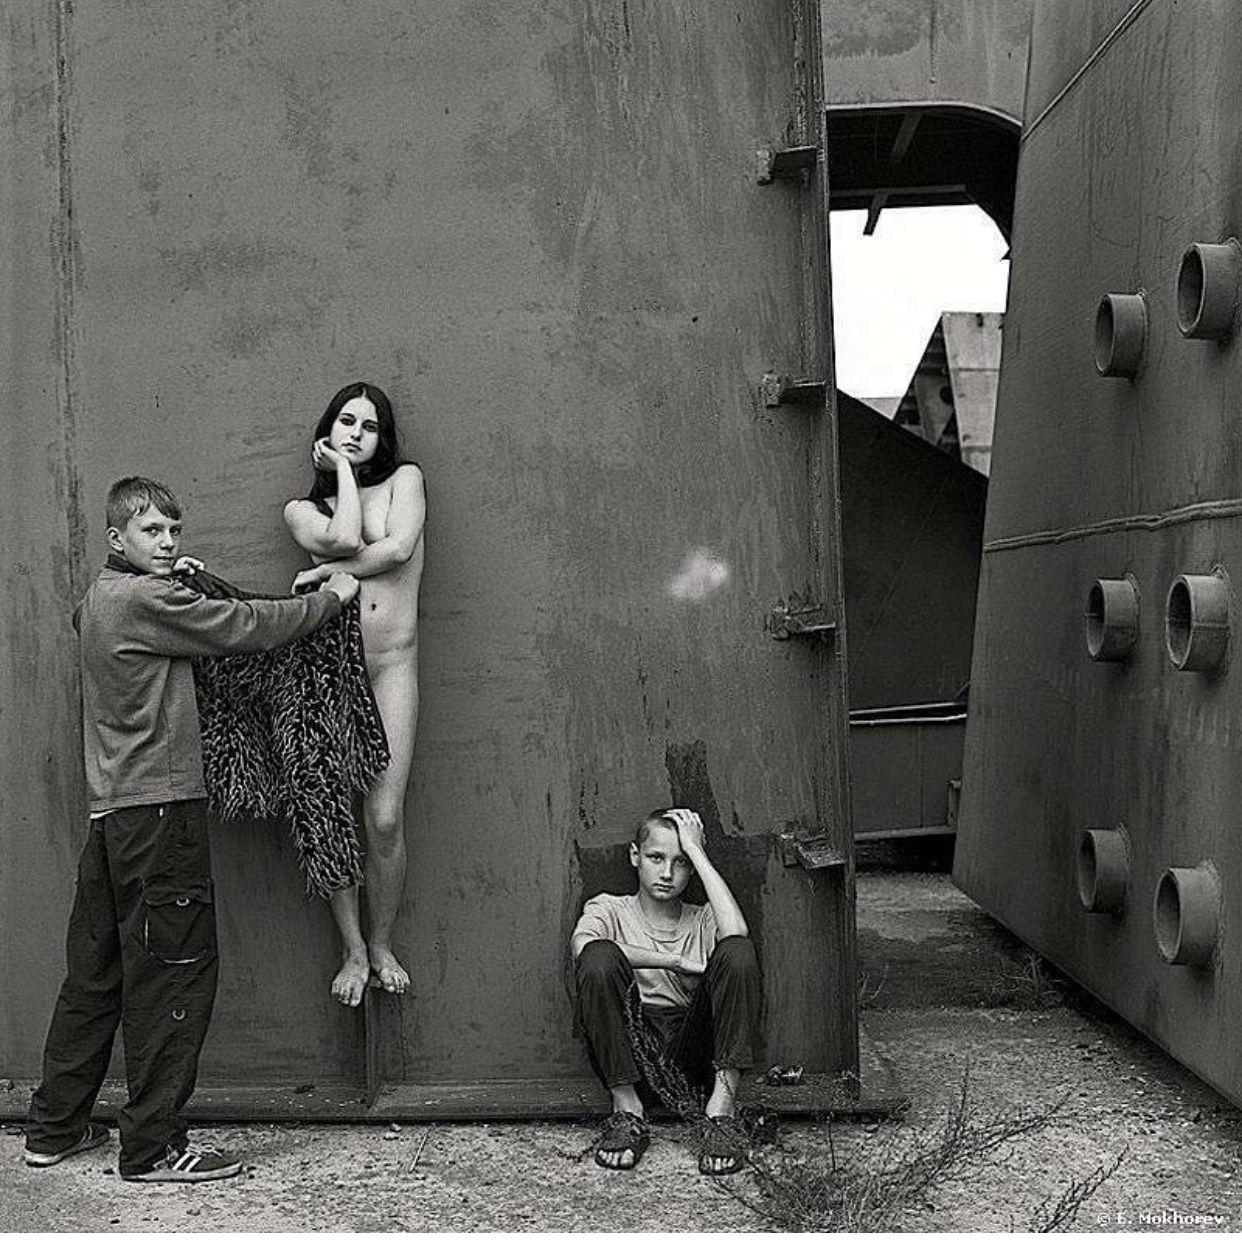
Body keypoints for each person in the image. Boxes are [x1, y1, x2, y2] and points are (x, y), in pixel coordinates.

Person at [24, 477, 359, 1183]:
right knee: (173, 977)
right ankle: (152, 1147)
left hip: (112, 816)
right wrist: (331, 599)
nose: (168, 541)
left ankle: (54, 1128)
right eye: (152, 532)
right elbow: (247, 628)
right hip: (161, 815)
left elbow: (101, 619)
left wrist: (177, 577)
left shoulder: (102, 599)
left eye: (174, 530)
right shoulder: (148, 601)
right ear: (117, 538)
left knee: (96, 975)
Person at [283, 381, 426, 1006]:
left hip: (393, 666)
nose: (356, 434)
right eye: (346, 422)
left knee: (385, 818)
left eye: (369, 427)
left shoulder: (406, 481)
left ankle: (383, 940)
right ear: (328, 428)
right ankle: (354, 949)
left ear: (383, 437)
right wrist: (341, 472)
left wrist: (324, 572)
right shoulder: (300, 510)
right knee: (332, 815)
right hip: (329, 671)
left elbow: (398, 549)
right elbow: (344, 540)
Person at [571, 807, 763, 1176]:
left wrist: (698, 851)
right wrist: (673, 961)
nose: (667, 873)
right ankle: (627, 1110)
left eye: (680, 862)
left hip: (692, 1054)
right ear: (635, 856)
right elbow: (584, 949)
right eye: (656, 858)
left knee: (738, 951)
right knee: (598, 957)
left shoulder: (703, 917)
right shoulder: (609, 908)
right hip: (631, 1050)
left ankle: (720, 1112)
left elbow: (736, 934)